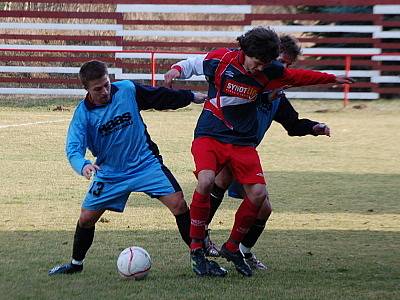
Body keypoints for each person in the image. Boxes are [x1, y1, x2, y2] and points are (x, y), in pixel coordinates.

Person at [164, 27, 353, 277]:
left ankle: (233, 248)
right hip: (210, 135)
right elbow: (195, 63)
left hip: (242, 142)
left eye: (265, 64)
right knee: (208, 180)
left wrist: (330, 78)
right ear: (244, 51)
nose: (260, 69)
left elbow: (297, 77)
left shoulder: (271, 73)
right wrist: (175, 70)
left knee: (259, 195)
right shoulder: (222, 59)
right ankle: (197, 247)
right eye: (257, 62)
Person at [48, 60, 225, 276]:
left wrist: (189, 97)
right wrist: (83, 165)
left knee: (178, 204)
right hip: (111, 173)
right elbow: (73, 149)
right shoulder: (82, 116)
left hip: (145, 164)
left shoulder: (126, 90)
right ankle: (76, 264)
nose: (105, 91)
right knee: (86, 218)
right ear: (87, 89)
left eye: (106, 84)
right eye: (98, 89)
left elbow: (157, 96)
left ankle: (199, 259)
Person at [204, 35, 334, 271]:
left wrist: (314, 128)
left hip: (245, 150)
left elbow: (292, 125)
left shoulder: (278, 97)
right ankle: (210, 241)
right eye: (281, 62)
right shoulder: (254, 83)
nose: (284, 69)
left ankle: (235, 248)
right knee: (231, 186)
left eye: (289, 64)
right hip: (230, 142)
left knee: (254, 202)